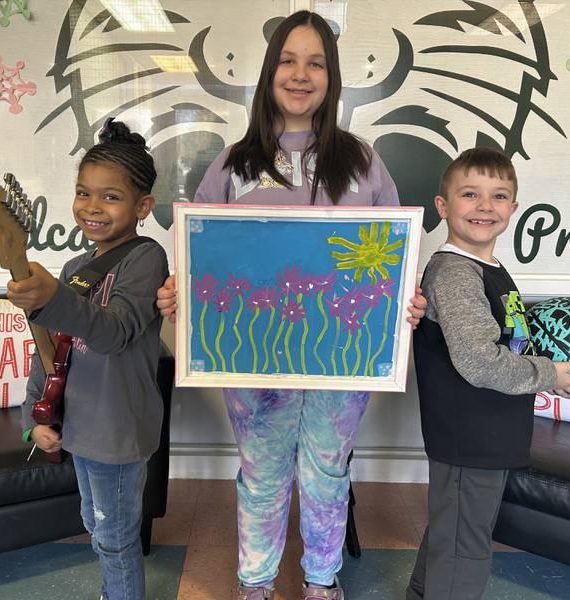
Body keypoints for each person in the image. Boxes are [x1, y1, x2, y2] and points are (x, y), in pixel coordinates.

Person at [157, 11, 426, 600]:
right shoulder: (234, 165)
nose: (301, 75)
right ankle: (255, 584)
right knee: (262, 475)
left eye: (316, 63)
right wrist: (179, 291)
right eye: (288, 60)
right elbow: (199, 259)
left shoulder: (362, 163)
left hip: (345, 355)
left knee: (327, 472)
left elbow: (393, 263)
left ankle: (321, 583)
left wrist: (405, 305)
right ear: (268, 70)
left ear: (332, 79)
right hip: (256, 360)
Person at [407, 147, 570, 599]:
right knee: (464, 550)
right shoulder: (455, 273)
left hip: (490, 434)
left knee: (453, 534)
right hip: (468, 436)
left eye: (498, 195)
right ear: (443, 207)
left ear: (513, 207)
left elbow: (506, 342)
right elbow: (478, 361)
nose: (485, 206)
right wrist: (550, 374)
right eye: (470, 194)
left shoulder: (489, 269)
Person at [6, 119, 168, 600]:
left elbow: (113, 332)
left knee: (115, 537)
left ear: (142, 206)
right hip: (79, 426)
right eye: (83, 193)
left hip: (117, 430)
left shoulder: (146, 258)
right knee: (95, 524)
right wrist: (31, 414)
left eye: (110, 197)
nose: (92, 207)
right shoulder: (75, 269)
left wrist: (52, 295)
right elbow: (48, 348)